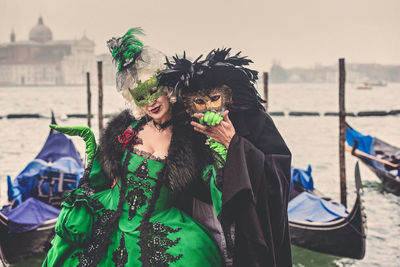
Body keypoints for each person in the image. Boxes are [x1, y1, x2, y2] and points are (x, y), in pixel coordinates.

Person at [43, 28, 223, 267]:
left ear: (166, 89)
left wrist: (220, 144)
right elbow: (104, 176)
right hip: (111, 220)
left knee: (194, 256)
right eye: (140, 97)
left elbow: (210, 179)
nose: (150, 102)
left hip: (163, 223)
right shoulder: (126, 128)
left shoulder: (189, 135)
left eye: (153, 91)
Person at [158, 48, 293, 266]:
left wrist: (234, 144)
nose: (209, 107)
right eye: (200, 101)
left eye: (215, 98)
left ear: (228, 95)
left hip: (244, 221)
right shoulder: (184, 127)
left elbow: (278, 177)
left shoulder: (255, 121)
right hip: (199, 222)